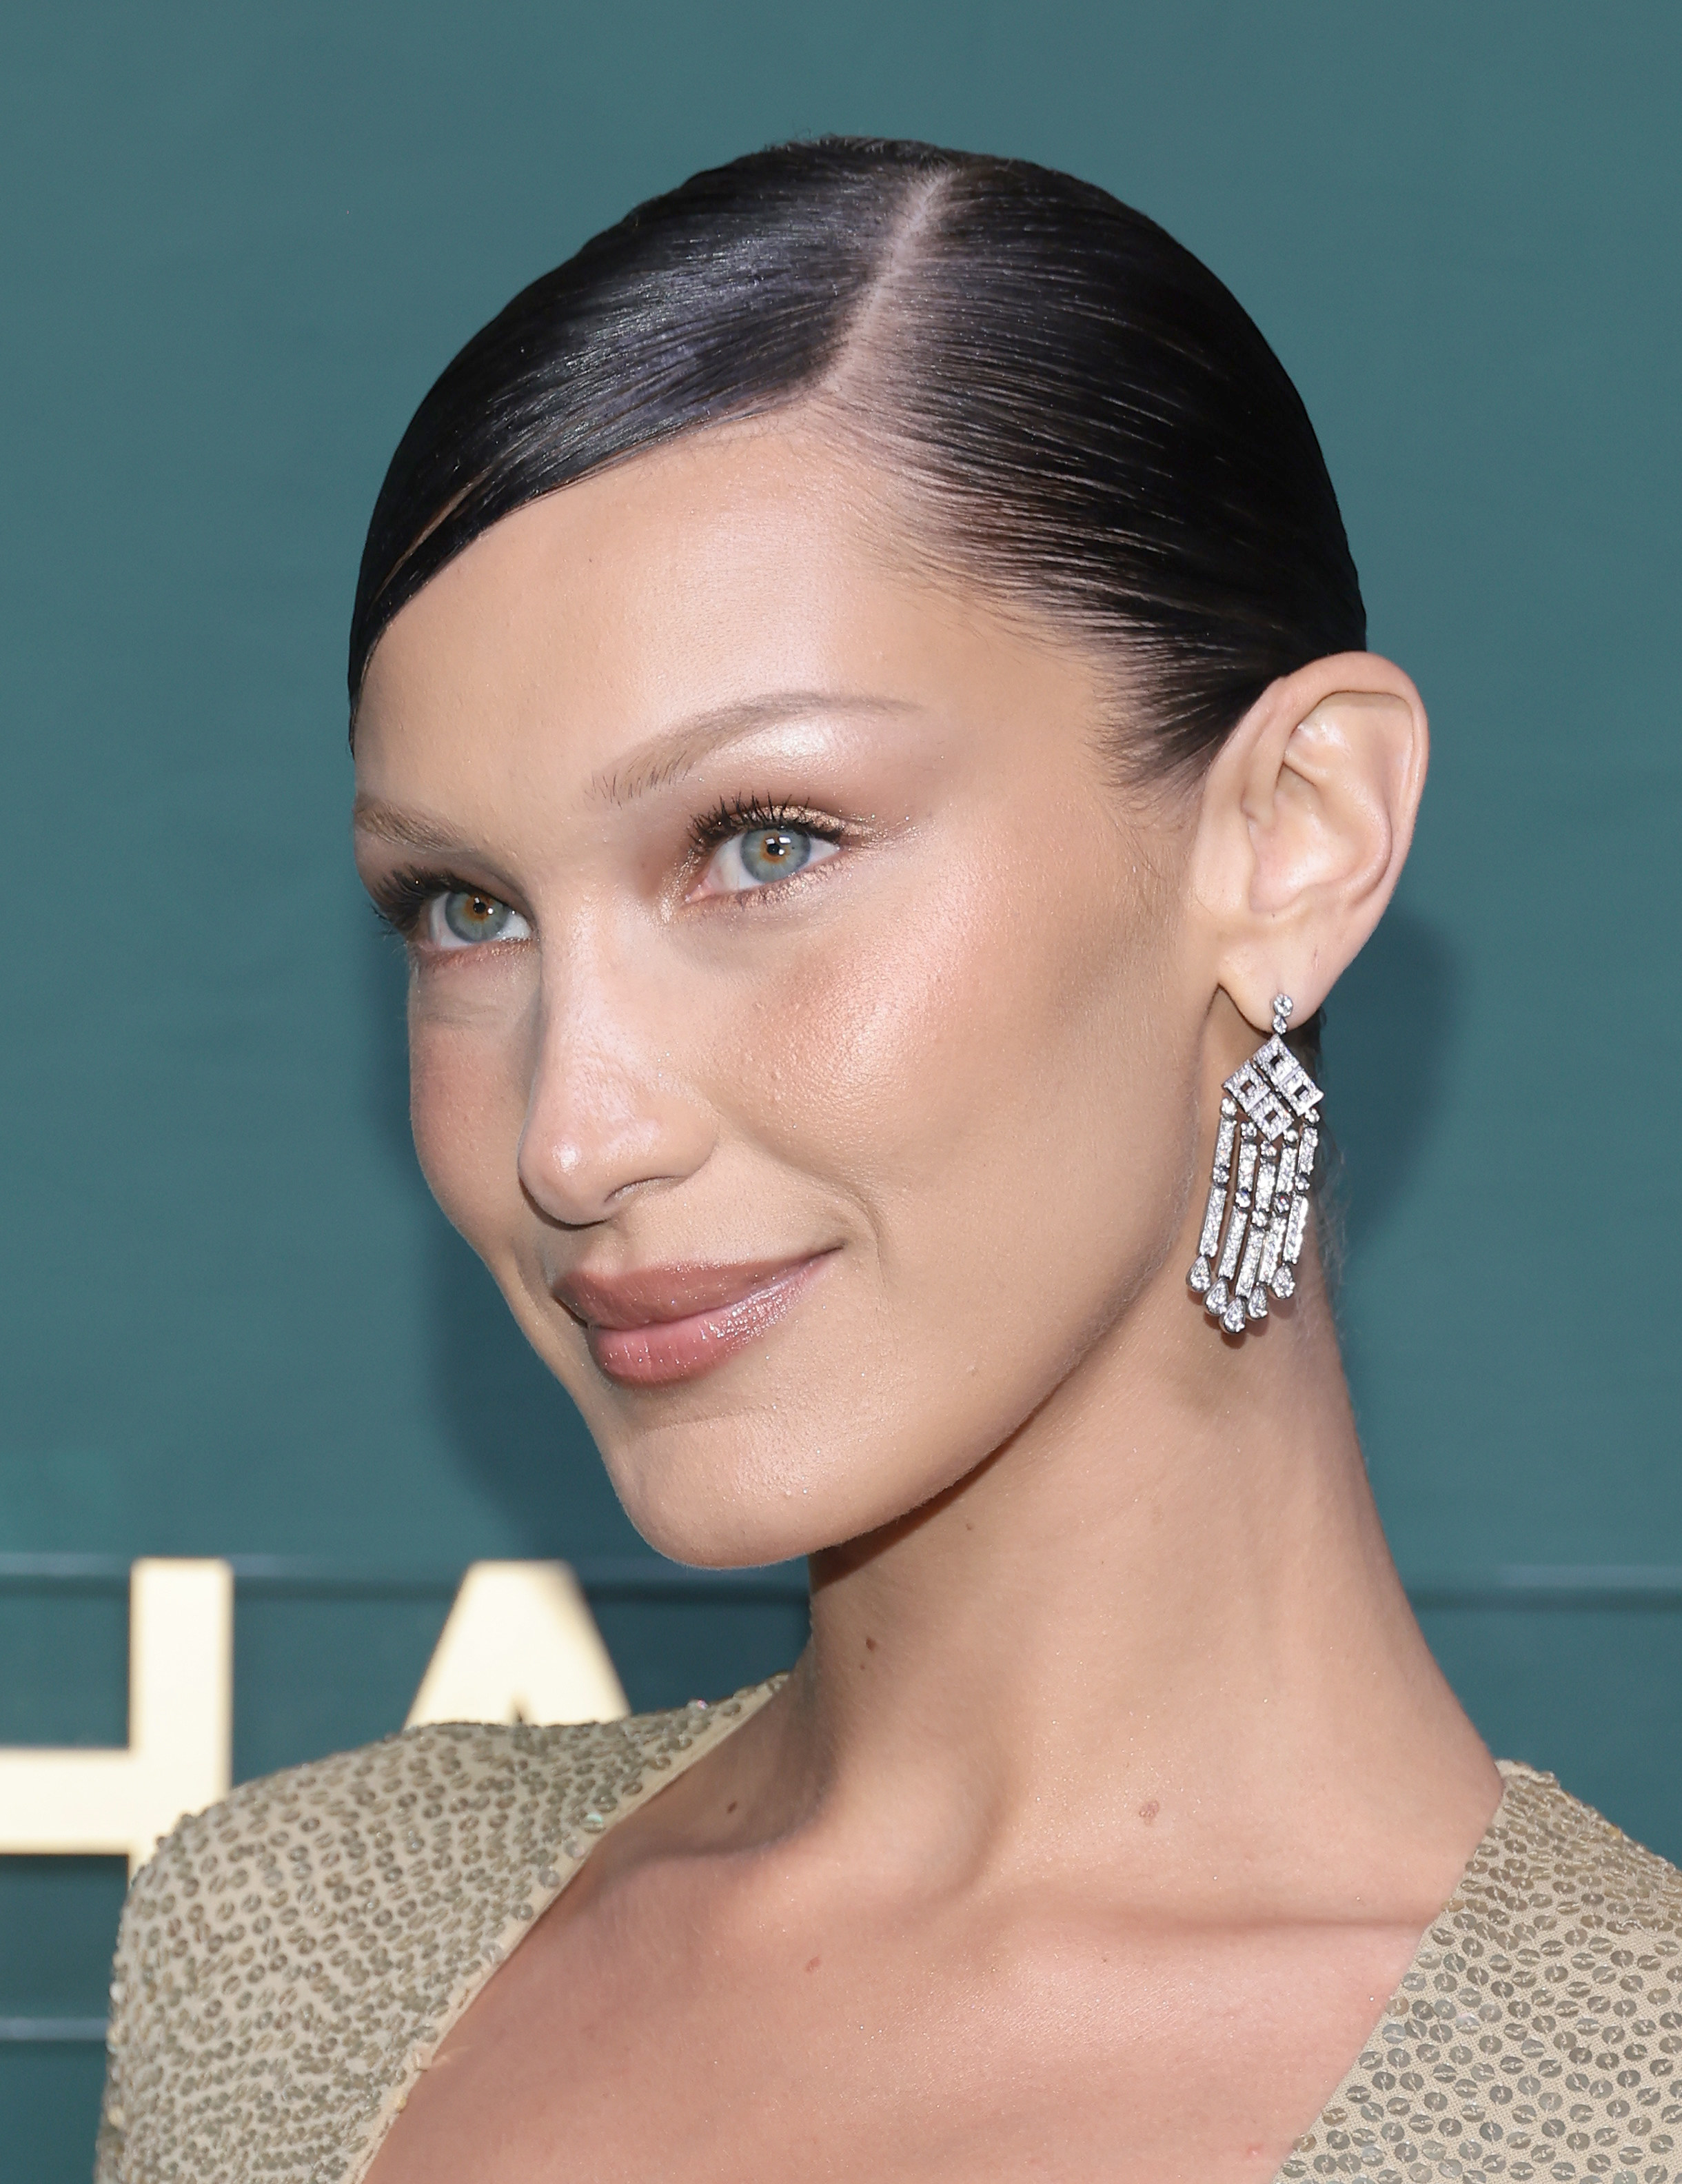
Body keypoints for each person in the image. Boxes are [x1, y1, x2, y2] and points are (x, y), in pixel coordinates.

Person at [97, 140, 1682, 2184]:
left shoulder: (1628, 2105)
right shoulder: (284, 1959)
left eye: (768, 844)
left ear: (1293, 837)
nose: (574, 1136)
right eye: (467, 909)